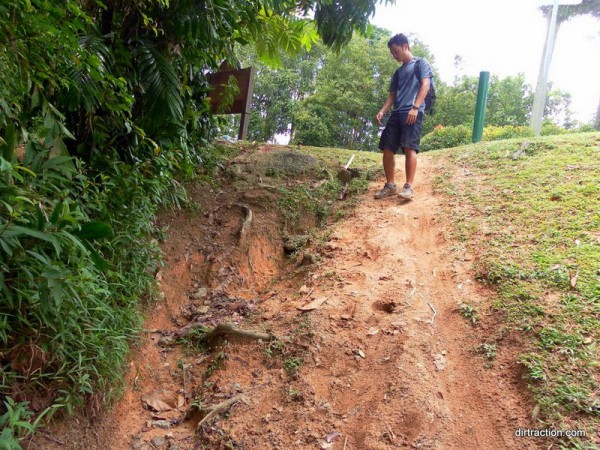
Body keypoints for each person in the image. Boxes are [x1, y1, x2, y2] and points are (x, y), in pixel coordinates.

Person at [374, 33, 433, 200]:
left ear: (405, 46)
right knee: (387, 147)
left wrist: (415, 107)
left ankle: (408, 187)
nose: (394, 55)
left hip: (413, 111)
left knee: (409, 147)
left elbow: (425, 85)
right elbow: (392, 95)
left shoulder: (421, 64)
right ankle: (390, 185)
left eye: (395, 51)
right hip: (397, 112)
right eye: (392, 53)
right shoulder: (398, 72)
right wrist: (382, 110)